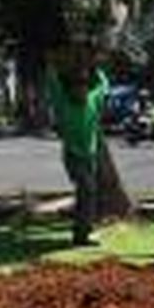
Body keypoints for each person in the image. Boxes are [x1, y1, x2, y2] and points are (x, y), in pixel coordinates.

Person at [46, 52, 110, 246]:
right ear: (71, 91)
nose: (80, 92)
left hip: (90, 155)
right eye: (76, 89)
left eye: (83, 88)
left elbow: (104, 86)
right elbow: (53, 84)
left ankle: (83, 232)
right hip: (73, 156)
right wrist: (51, 64)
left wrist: (96, 66)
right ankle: (81, 235)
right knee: (87, 190)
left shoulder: (92, 100)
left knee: (88, 193)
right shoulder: (63, 104)